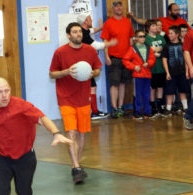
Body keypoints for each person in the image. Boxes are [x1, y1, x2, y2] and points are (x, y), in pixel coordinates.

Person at [49, 22, 102, 184]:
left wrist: (93, 72)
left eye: (80, 31)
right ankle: (77, 168)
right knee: (71, 132)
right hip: (65, 98)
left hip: (83, 98)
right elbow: (52, 74)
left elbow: (98, 69)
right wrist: (66, 72)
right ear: (68, 35)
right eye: (75, 32)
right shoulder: (60, 52)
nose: (78, 34)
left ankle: (75, 166)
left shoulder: (90, 50)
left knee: (82, 134)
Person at [77, 13, 117, 120]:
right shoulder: (83, 34)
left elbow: (91, 30)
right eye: (90, 19)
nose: (91, 21)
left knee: (91, 87)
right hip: (84, 65)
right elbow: (96, 45)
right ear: (85, 21)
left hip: (85, 63)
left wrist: (100, 28)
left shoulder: (84, 30)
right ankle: (93, 112)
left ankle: (93, 111)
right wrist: (110, 43)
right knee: (90, 88)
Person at [100, 0, 134, 118]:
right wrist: (106, 56)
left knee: (123, 84)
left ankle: (120, 107)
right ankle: (114, 108)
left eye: (121, 6)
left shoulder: (127, 22)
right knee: (114, 84)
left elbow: (130, 40)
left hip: (126, 59)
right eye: (117, 6)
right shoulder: (108, 23)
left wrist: (131, 56)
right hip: (114, 58)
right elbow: (105, 41)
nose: (119, 8)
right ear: (113, 9)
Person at [123, 30, 156, 119]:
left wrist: (148, 63)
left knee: (147, 94)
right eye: (140, 36)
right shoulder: (132, 48)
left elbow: (152, 59)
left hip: (147, 74)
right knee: (137, 94)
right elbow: (125, 60)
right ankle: (137, 112)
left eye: (144, 36)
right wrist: (134, 67)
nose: (143, 38)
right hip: (138, 75)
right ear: (136, 38)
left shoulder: (148, 48)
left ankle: (147, 112)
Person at [162, 25, 189, 118]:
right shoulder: (166, 46)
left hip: (182, 73)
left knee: (183, 90)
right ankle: (168, 109)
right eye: (169, 33)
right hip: (171, 74)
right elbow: (164, 60)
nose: (169, 35)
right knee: (169, 91)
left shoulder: (183, 45)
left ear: (177, 34)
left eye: (171, 33)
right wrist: (167, 72)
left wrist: (187, 71)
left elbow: (186, 58)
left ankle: (185, 107)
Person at [145, 19, 166, 117]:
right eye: (152, 26)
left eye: (155, 26)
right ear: (148, 28)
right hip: (152, 68)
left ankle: (160, 105)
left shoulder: (160, 37)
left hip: (161, 67)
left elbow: (164, 48)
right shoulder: (146, 39)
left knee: (160, 86)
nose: (155, 28)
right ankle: (152, 106)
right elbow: (149, 50)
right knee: (153, 88)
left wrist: (157, 50)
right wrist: (156, 50)